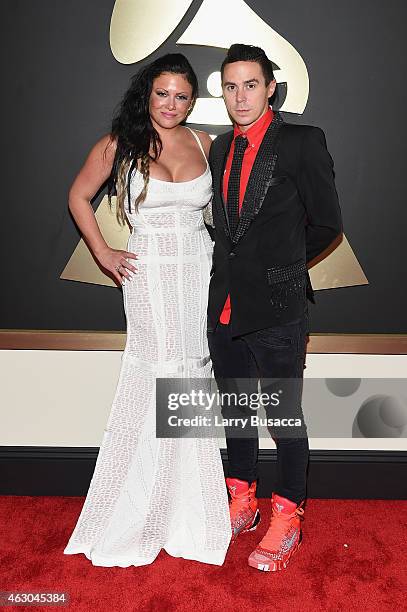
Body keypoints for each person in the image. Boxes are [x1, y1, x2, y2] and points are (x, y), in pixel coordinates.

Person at [63, 53, 231, 567]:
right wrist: (105, 253)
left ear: (192, 100)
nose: (171, 105)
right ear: (147, 93)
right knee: (154, 375)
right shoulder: (120, 144)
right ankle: (139, 503)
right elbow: (78, 197)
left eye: (182, 96)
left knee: (192, 373)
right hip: (149, 275)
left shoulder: (205, 143)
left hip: (198, 271)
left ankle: (190, 507)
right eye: (163, 93)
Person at [206, 44, 342, 572]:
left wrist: (282, 267)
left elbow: (327, 222)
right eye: (231, 86)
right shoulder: (220, 148)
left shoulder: (302, 143)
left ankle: (288, 511)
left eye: (250, 85)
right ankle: (242, 498)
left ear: (270, 89)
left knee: (283, 415)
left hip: (280, 308)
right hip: (224, 309)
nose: (240, 96)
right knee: (236, 411)